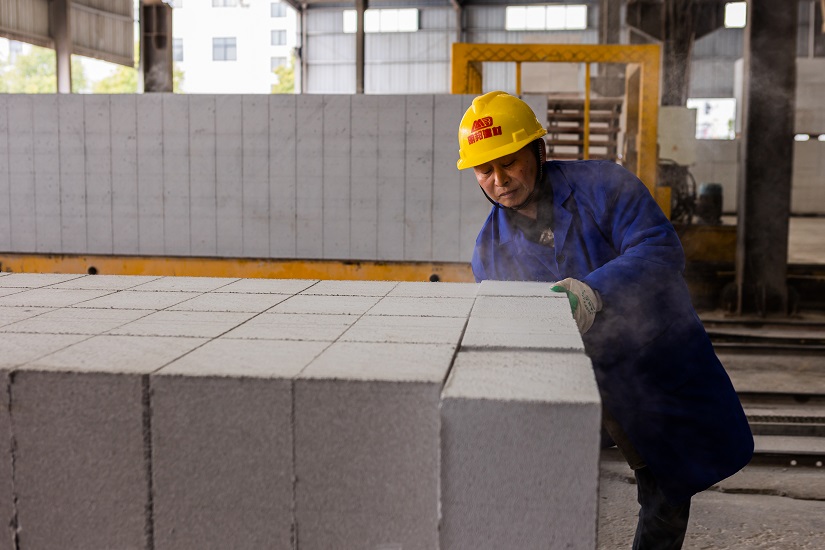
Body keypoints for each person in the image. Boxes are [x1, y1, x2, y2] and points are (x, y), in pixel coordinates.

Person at [457, 90, 753, 550]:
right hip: (580, 380)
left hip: (653, 364)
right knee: (543, 487)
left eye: (509, 162)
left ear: (539, 151)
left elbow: (660, 250)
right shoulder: (489, 252)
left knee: (666, 492)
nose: (500, 180)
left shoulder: (605, 186)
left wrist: (592, 293)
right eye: (485, 170)